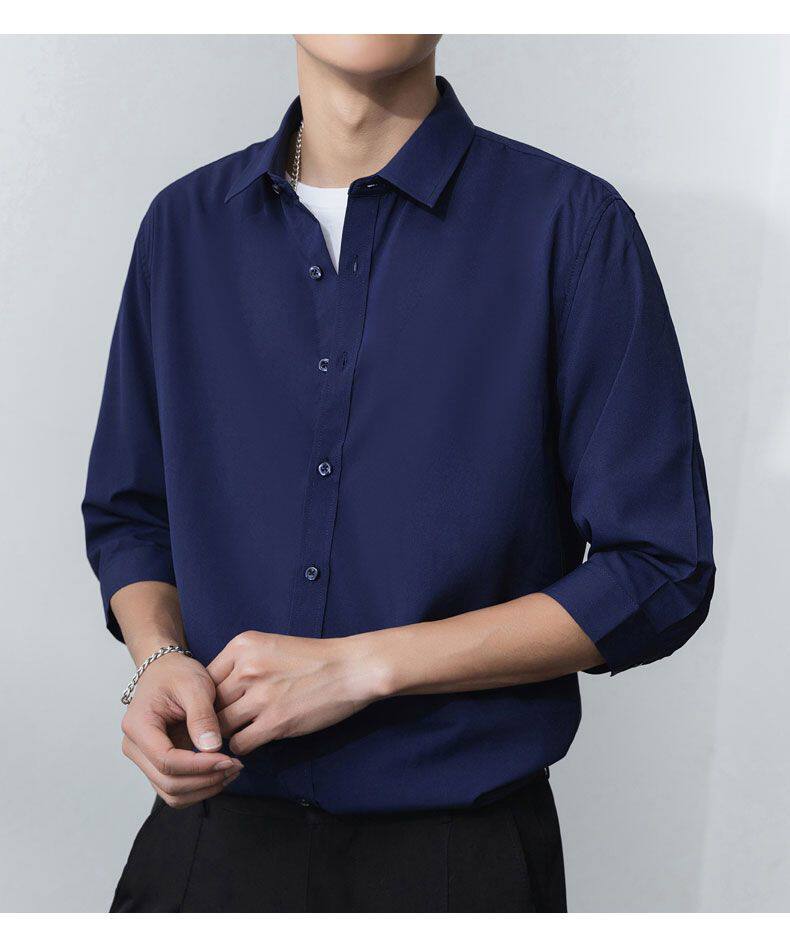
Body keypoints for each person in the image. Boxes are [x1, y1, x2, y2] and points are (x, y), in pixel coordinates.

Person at [82, 34, 715, 913]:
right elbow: (130, 514)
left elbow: (659, 569)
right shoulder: (182, 228)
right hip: (209, 841)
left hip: (458, 856)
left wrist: (361, 667)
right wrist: (157, 656)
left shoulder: (570, 226)